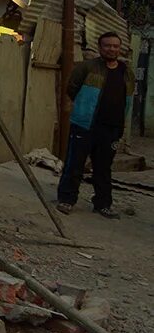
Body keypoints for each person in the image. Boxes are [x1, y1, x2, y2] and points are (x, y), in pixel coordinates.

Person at [56, 32, 134, 218]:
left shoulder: (126, 72)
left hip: (112, 128)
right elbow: (71, 88)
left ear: (119, 48)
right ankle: (66, 200)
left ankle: (102, 204)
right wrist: (82, 111)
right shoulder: (87, 67)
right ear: (100, 48)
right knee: (75, 164)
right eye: (107, 46)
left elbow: (128, 98)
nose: (111, 49)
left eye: (115, 46)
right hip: (85, 125)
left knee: (103, 168)